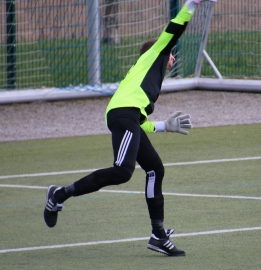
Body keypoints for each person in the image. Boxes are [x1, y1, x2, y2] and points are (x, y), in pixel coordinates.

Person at [43, 0, 206, 257]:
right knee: (122, 172)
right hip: (123, 115)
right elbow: (175, 28)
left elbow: (140, 124)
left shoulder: (146, 78)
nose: (172, 55)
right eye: (170, 51)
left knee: (155, 168)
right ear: (160, 51)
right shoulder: (155, 55)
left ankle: (158, 234)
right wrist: (192, 4)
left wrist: (166, 125)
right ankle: (59, 195)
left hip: (127, 116)